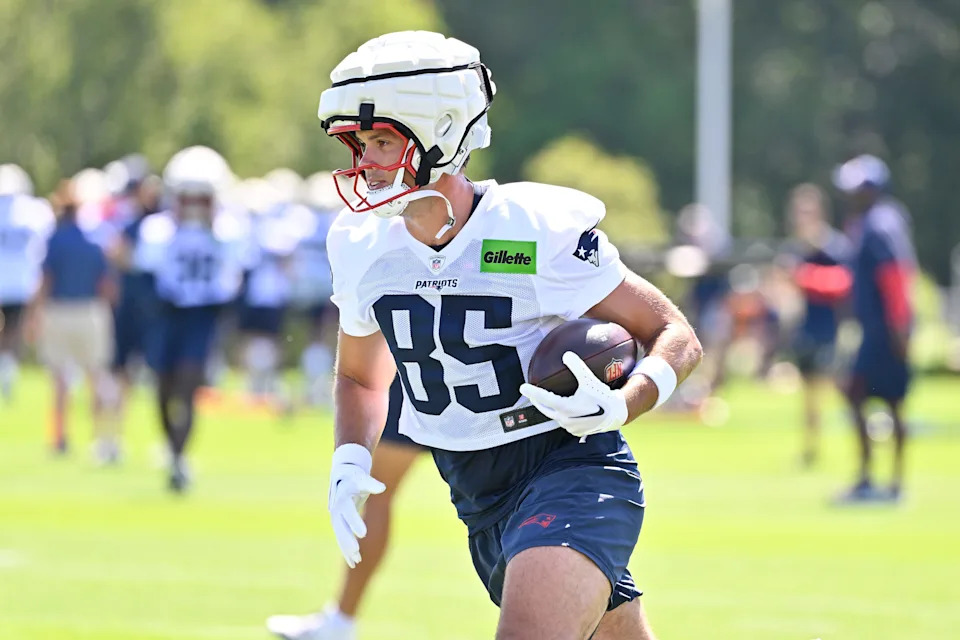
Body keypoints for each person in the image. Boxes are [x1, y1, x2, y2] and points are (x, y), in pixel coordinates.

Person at [314, 32, 702, 639]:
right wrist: (349, 457)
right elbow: (362, 375)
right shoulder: (361, 243)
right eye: (361, 143)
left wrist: (623, 404)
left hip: (569, 466)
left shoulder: (531, 232)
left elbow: (674, 332)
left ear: (437, 133)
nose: (365, 162)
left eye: (382, 140)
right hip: (474, 491)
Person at [266, 377, 427, 640]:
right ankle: (340, 621)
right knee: (497, 497)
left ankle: (340, 622)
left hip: (423, 368)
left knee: (378, 495)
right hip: (469, 372)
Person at [138, 146, 247, 492]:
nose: (195, 204)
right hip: (167, 311)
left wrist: (213, 228)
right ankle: (172, 449)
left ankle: (178, 458)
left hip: (202, 314)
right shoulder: (159, 228)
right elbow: (148, 267)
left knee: (187, 386)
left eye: (203, 197)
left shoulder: (227, 229)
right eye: (190, 197)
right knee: (162, 388)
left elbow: (236, 270)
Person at [833, 154, 916, 501]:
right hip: (880, 328)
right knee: (875, 399)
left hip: (885, 330)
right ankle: (885, 480)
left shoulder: (880, 224)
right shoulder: (876, 220)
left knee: (873, 397)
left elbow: (894, 276)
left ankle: (880, 480)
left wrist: (898, 328)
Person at [26, 179, 117, 458]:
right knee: (96, 376)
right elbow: (107, 286)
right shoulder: (93, 241)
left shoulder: (55, 241)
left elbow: (46, 281)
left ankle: (61, 437)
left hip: (60, 311)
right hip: (91, 311)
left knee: (60, 380)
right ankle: (102, 438)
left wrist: (34, 315)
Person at [780, 184, 852, 467]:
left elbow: (843, 284)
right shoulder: (797, 249)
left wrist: (804, 277)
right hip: (807, 329)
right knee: (810, 395)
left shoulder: (834, 246)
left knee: (841, 389)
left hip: (832, 329)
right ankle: (812, 449)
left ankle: (864, 440)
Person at [0, 164, 54, 401]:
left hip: (18, 283)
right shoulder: (33, 211)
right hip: (21, 283)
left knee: (14, 330)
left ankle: (7, 369)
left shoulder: (31, 212)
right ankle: (8, 368)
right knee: (13, 331)